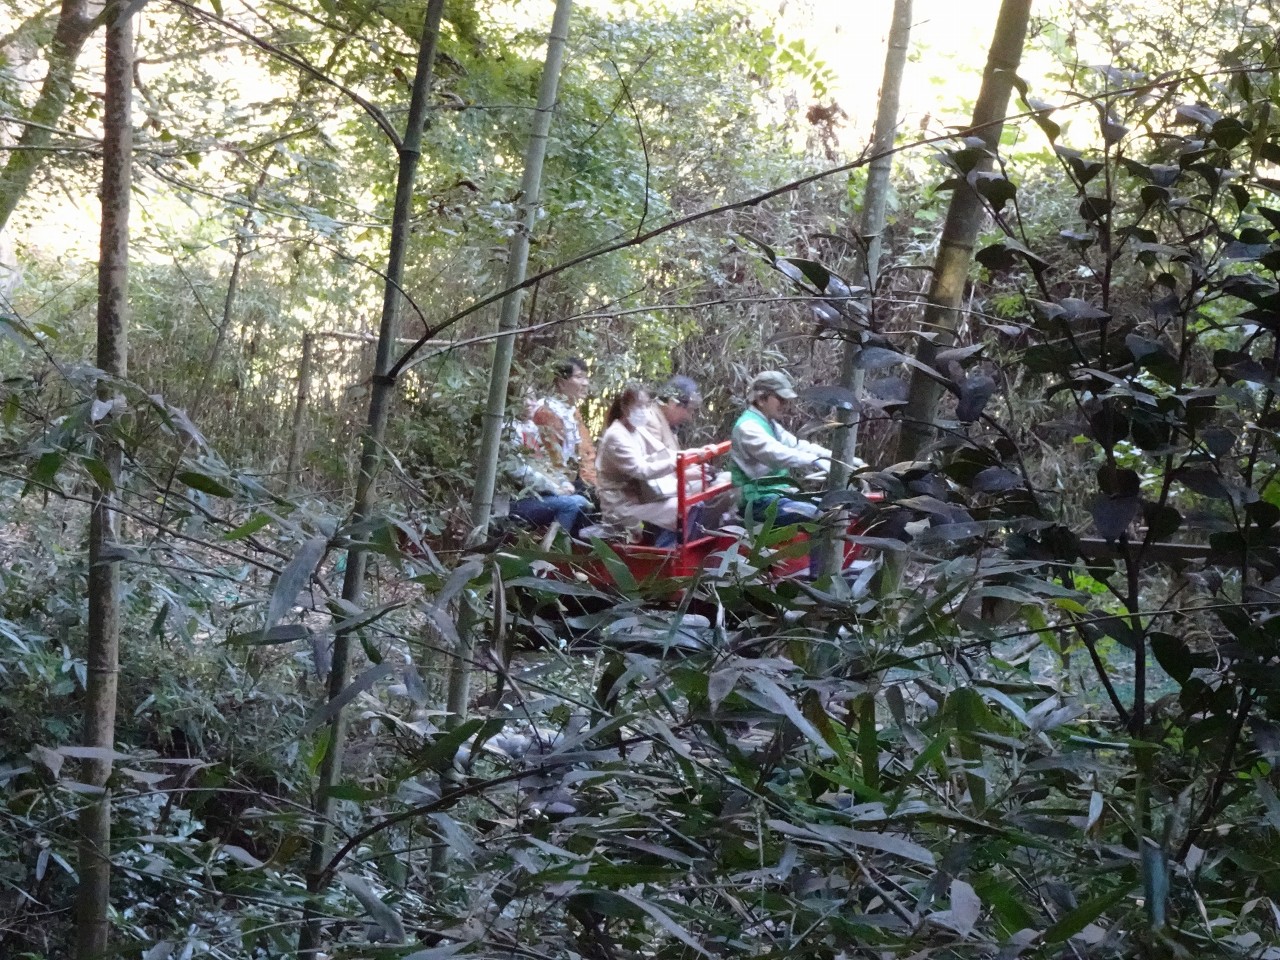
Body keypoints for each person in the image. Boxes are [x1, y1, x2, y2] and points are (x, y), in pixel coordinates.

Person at [730, 369, 834, 528]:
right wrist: (815, 461)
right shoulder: (748, 428)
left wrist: (836, 457)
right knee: (822, 517)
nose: (785, 404)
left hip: (776, 495)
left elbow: (797, 445)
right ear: (761, 399)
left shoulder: (769, 424)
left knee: (835, 506)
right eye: (780, 399)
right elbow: (778, 454)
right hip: (757, 501)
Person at [595, 384, 682, 546]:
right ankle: (666, 557)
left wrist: (693, 456)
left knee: (691, 498)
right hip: (621, 507)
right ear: (624, 407)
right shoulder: (616, 435)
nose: (644, 410)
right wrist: (674, 463)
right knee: (678, 510)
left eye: (646, 405)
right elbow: (640, 470)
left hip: (640, 498)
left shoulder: (637, 429)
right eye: (639, 406)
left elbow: (662, 452)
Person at [505, 388, 591, 536]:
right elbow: (519, 471)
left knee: (585, 499)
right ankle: (554, 550)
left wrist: (562, 482)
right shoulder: (507, 429)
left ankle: (571, 548)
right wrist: (554, 487)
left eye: (531, 397)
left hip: (537, 496)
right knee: (571, 504)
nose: (529, 403)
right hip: (512, 503)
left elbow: (545, 463)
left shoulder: (531, 427)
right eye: (522, 398)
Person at [533, 357, 597, 492]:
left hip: (577, 479)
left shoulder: (573, 413)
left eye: (586, 378)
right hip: (554, 482)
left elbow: (587, 452)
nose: (585, 383)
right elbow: (551, 458)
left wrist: (592, 481)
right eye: (579, 377)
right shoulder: (546, 412)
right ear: (561, 383)